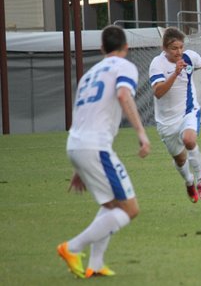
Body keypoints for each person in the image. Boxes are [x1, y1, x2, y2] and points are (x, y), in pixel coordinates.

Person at [57, 25, 151, 278]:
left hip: (77, 145)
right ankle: (72, 248)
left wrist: (79, 166)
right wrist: (141, 133)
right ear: (126, 47)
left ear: (101, 49)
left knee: (111, 204)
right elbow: (123, 94)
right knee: (129, 210)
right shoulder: (124, 66)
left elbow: (81, 115)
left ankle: (95, 265)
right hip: (95, 146)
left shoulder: (90, 74)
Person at [149, 27, 201, 203]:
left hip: (188, 111)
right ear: (164, 48)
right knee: (180, 160)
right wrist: (175, 73)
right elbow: (158, 92)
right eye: (174, 48)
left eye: (181, 47)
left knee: (189, 140)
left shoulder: (190, 57)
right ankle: (189, 181)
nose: (179, 52)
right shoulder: (157, 64)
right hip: (166, 122)